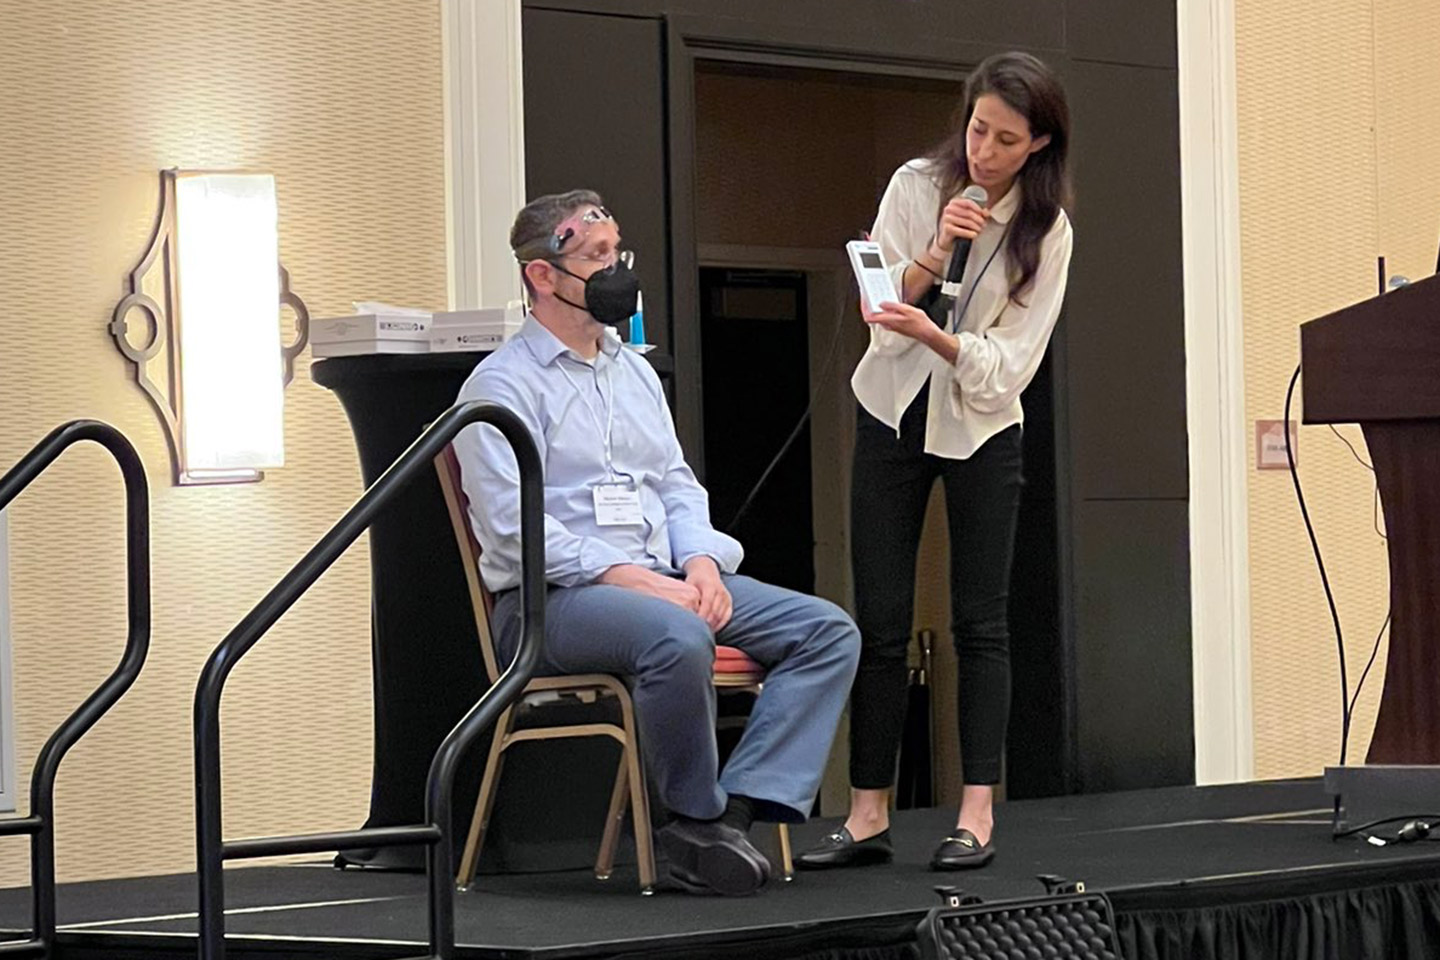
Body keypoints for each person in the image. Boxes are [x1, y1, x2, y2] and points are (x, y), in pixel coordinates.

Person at [453, 191, 860, 896]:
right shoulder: (499, 387)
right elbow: (514, 531)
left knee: (827, 631)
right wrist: (637, 582)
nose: (616, 271)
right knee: (675, 635)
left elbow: (676, 485)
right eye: (595, 258)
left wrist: (701, 560)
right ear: (542, 277)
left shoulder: (635, 373)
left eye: (618, 254)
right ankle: (695, 819)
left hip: (666, 579)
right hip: (552, 604)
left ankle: (726, 817)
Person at [796, 52, 1074, 873]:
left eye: (1005, 139)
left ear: (1039, 143)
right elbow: (881, 313)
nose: (983, 150)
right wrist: (933, 251)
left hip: (984, 423)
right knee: (877, 621)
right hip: (889, 409)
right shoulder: (917, 184)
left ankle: (977, 813)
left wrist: (943, 341)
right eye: (977, 128)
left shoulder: (1047, 228)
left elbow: (1014, 363)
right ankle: (869, 811)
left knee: (978, 622)